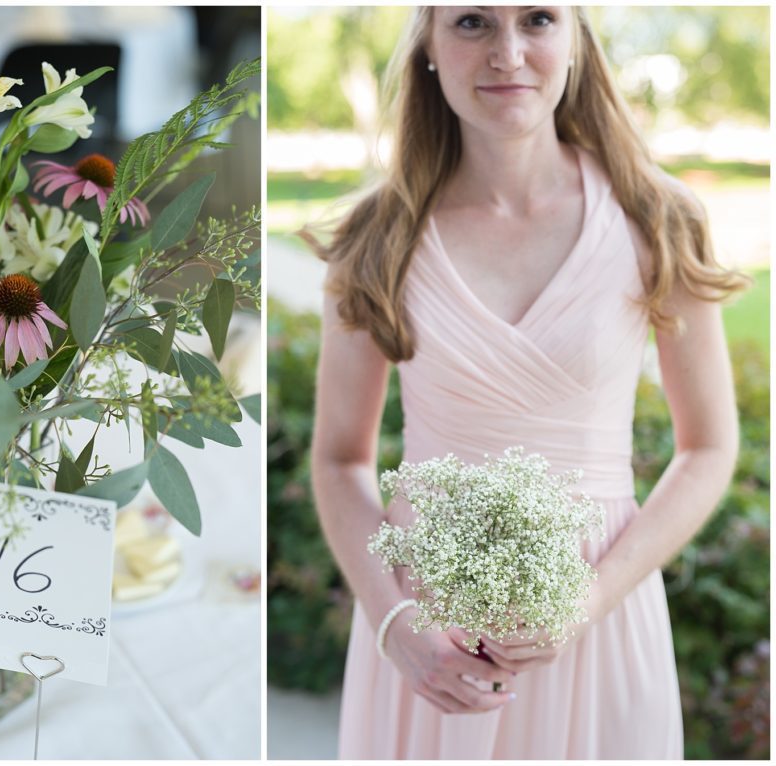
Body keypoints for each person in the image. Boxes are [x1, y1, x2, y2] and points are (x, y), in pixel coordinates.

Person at [309, 6, 746, 760]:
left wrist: (586, 602)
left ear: (575, 39)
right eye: (473, 22)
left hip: (602, 613)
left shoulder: (658, 218)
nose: (508, 53)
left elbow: (707, 448)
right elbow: (339, 458)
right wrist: (394, 624)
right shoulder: (377, 236)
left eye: (538, 19)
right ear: (430, 47)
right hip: (427, 631)